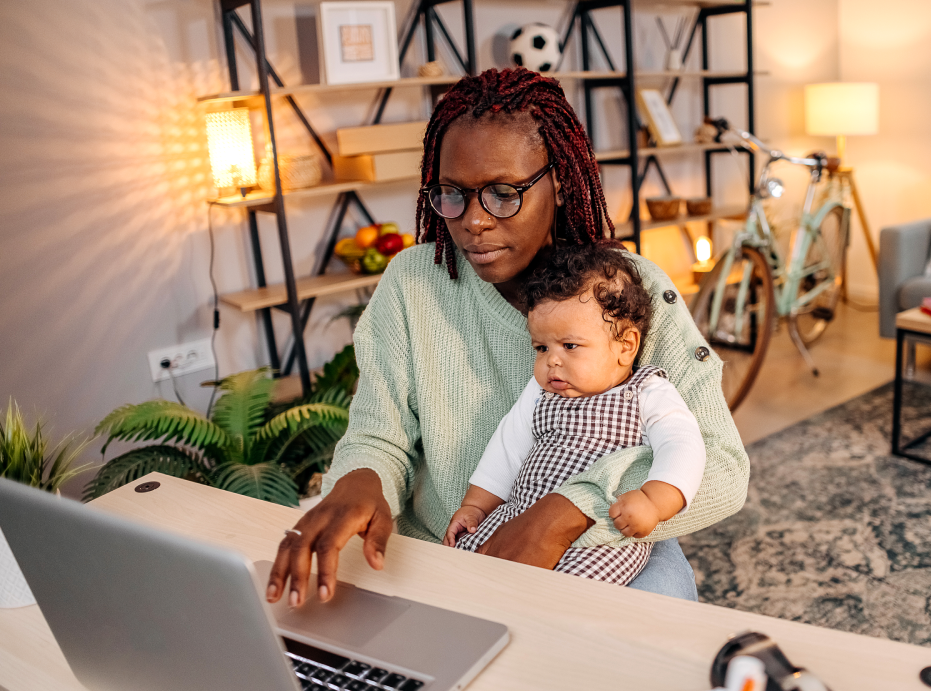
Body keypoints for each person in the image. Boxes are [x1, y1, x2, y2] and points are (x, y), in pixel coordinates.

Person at [265, 67, 748, 609]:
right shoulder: (413, 282)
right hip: (454, 545)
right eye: (451, 194)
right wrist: (360, 480)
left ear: (560, 181)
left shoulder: (628, 292)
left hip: (608, 543)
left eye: (502, 193)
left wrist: (570, 511)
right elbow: (379, 436)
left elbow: (723, 467)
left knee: (649, 641)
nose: (473, 221)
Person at [445, 244, 705, 587]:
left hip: (600, 536)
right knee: (465, 569)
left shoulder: (647, 392)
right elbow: (507, 448)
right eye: (541, 348)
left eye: (570, 346)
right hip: (520, 516)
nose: (552, 360)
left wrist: (654, 501)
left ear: (626, 346)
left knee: (570, 597)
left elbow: (683, 444)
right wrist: (476, 506)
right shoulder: (540, 392)